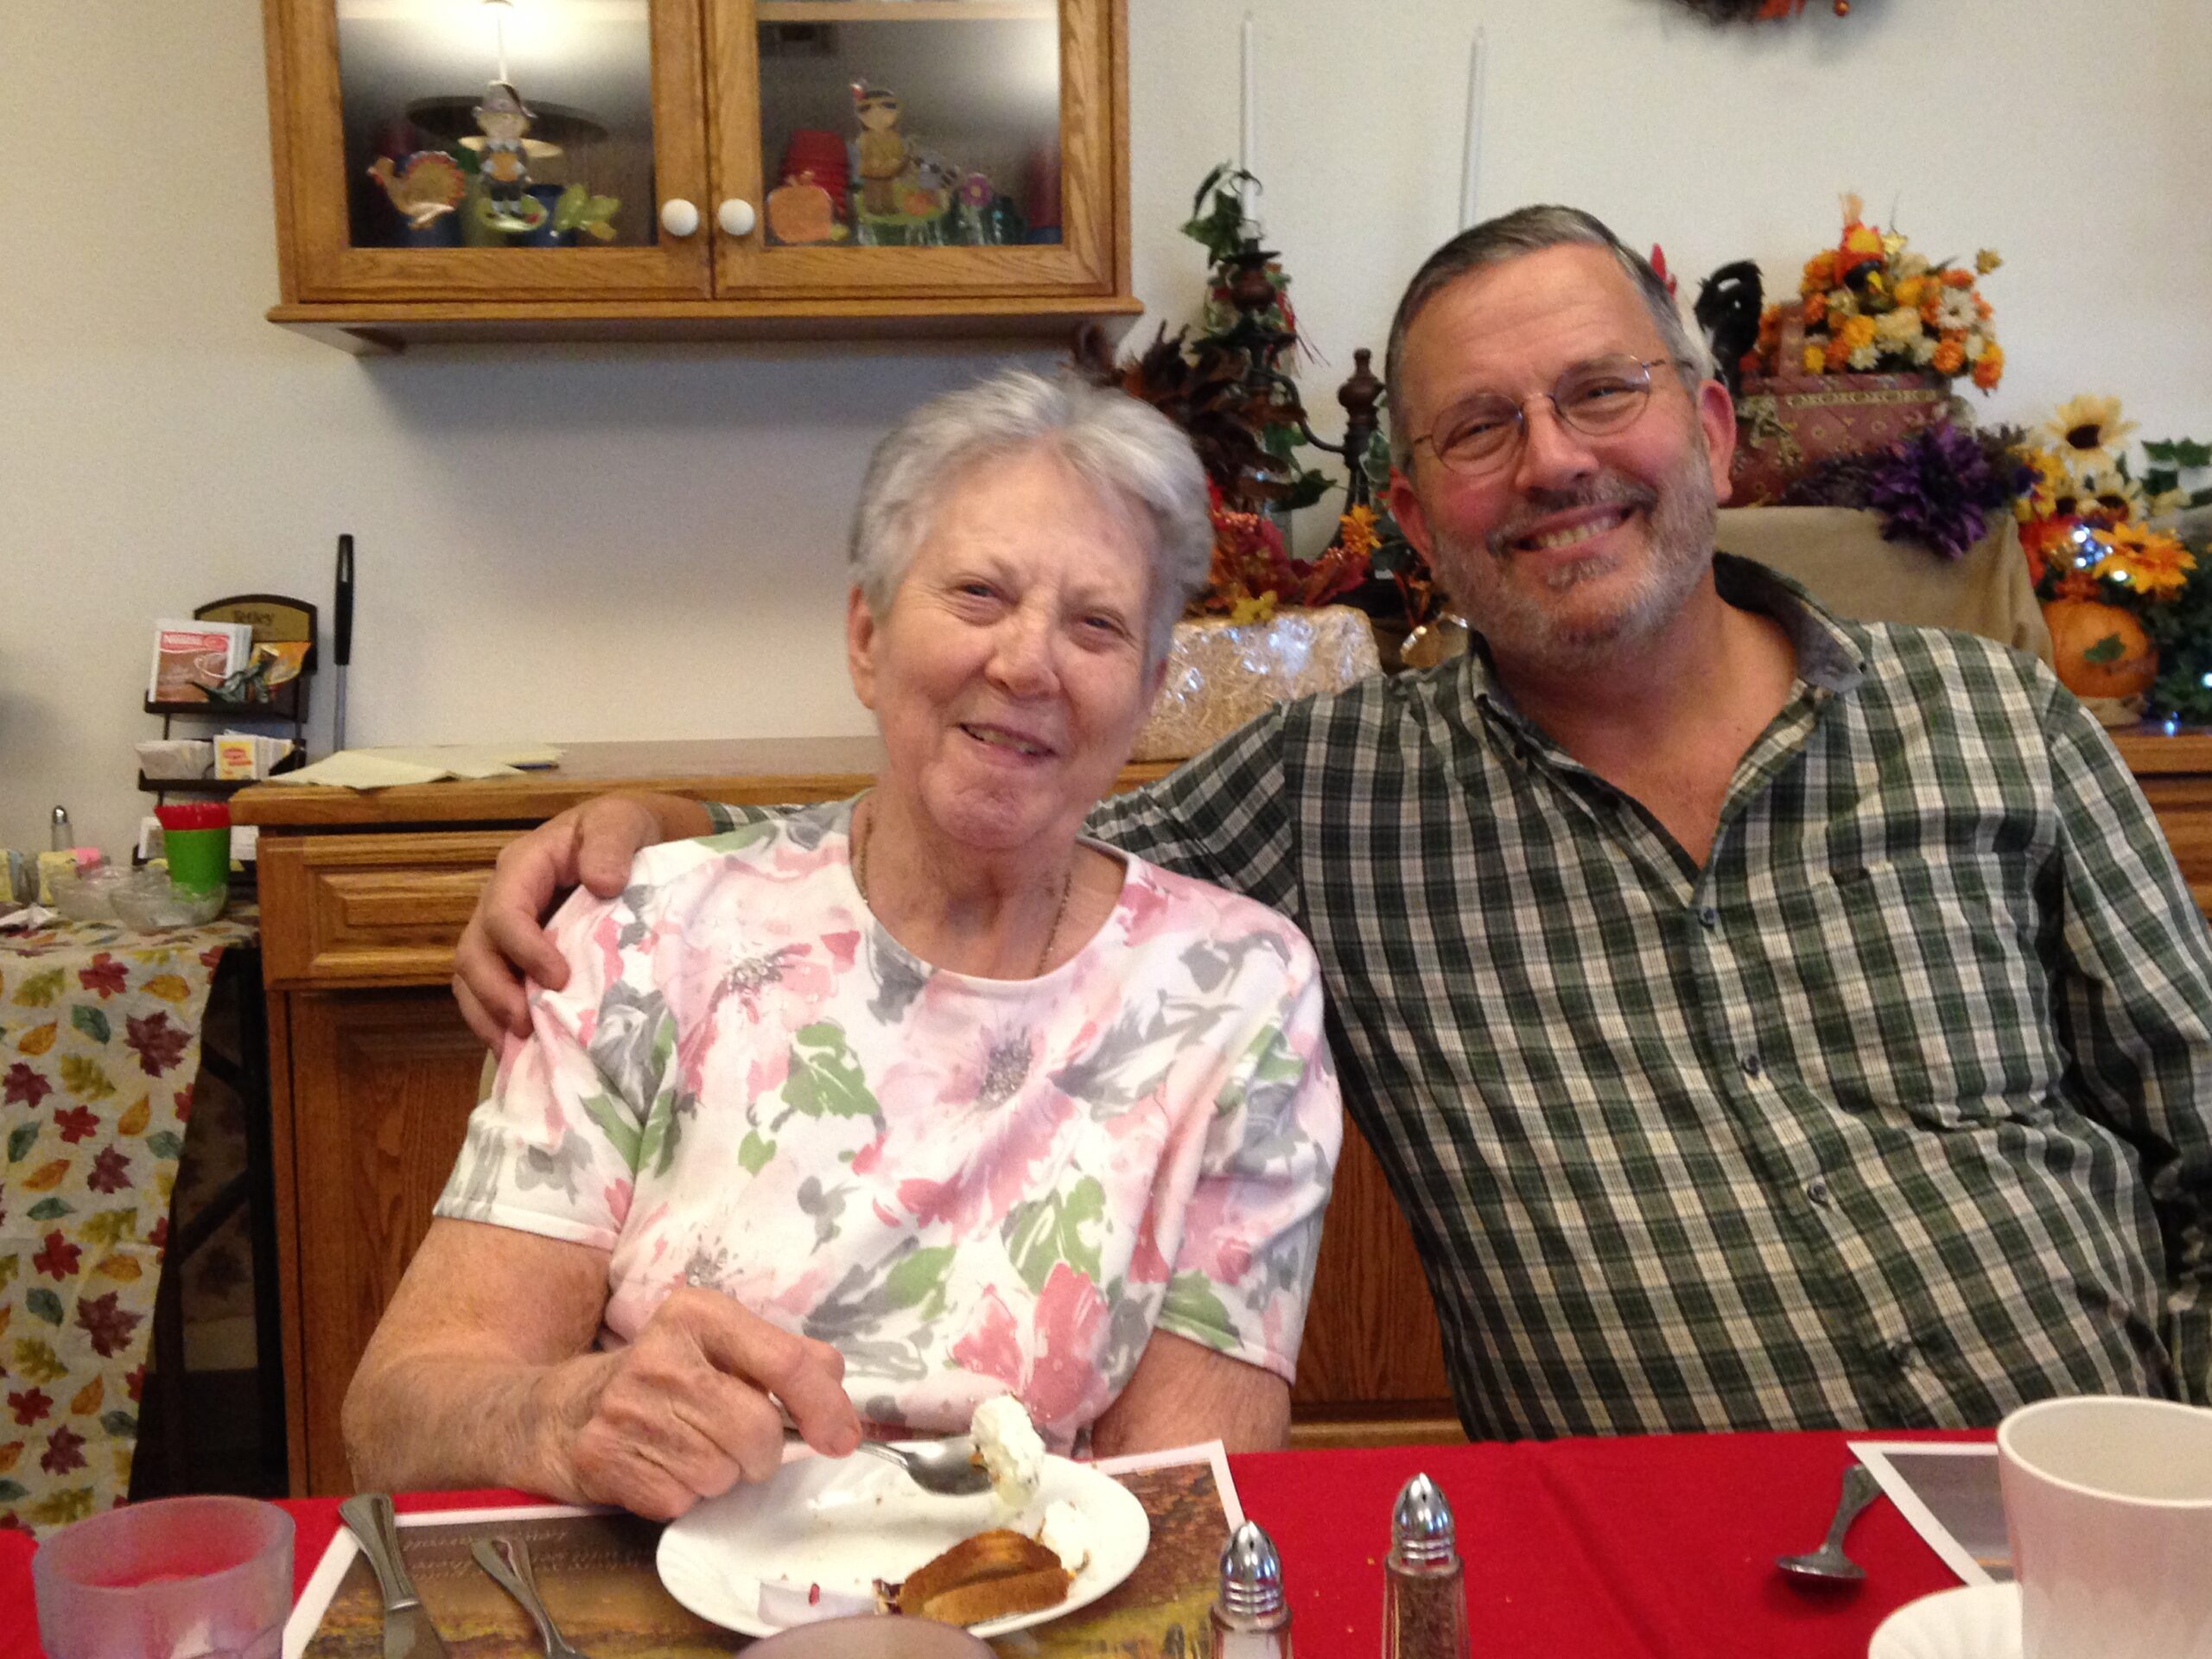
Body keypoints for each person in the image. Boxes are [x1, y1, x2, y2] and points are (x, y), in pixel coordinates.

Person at [454, 207, 2212, 1440]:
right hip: (1653, 1542)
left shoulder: (1983, 712)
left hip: (2094, 1485)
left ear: (1711, 427)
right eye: (1475, 429)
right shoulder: (1338, 792)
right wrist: (666, 829)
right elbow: (985, 795)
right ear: (1415, 515)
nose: (1547, 461)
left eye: (1598, 394)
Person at [346, 371, 1343, 1516]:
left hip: (1019, 1613)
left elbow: (1175, 1502)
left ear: (1151, 687)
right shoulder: (646, 932)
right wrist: (563, 1418)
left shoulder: (1236, 994)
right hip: (644, 1589)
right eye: (978, 594)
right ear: (867, 637)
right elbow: (398, 1417)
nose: (1028, 664)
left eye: (1098, 625)